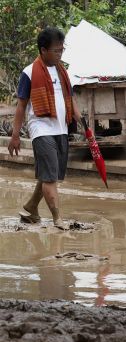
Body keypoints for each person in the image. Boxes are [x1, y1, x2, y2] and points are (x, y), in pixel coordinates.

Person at [7, 27, 81, 230]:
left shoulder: (63, 71)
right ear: (43, 50)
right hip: (41, 128)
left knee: (51, 173)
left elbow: (70, 98)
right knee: (50, 177)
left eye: (62, 50)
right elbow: (21, 105)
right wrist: (15, 135)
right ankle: (58, 219)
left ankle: (30, 208)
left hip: (61, 128)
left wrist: (82, 120)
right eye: (56, 50)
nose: (60, 54)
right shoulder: (29, 72)